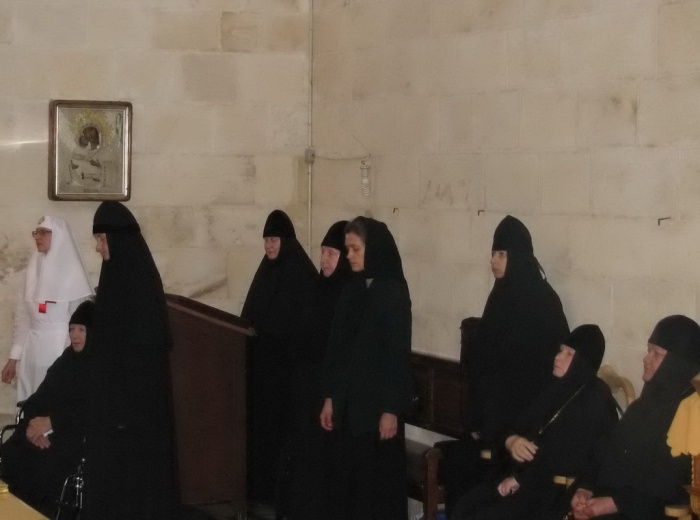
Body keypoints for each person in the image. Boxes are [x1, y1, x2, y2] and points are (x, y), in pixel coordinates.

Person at [442, 215, 570, 516]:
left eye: (501, 254)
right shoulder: (500, 294)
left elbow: (545, 368)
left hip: (523, 425)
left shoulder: (543, 300)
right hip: (494, 421)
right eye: (493, 253)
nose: (494, 261)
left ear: (518, 257)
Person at [450, 324, 619, 520]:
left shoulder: (596, 400)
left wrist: (521, 479)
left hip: (555, 491)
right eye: (560, 350)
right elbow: (513, 426)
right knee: (465, 506)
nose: (558, 357)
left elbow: (572, 459)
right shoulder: (552, 388)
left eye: (568, 354)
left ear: (583, 362)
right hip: (523, 477)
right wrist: (511, 441)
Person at [83, 201, 178, 519]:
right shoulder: (113, 277)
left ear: (117, 239)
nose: (98, 247)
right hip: (113, 401)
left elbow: (143, 352)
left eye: (101, 239)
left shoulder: (140, 283)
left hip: (134, 404)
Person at [320, 216, 413, 520]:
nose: (349, 256)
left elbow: (396, 355)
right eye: (347, 249)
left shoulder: (394, 292)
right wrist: (331, 397)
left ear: (374, 249)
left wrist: (391, 409)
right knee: (348, 485)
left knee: (375, 489)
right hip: (349, 407)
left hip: (377, 411)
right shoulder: (353, 288)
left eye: (355, 249)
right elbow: (337, 348)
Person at [569, 315, 700, 520]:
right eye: (649, 350)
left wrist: (616, 503)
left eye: (657, 353)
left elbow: (671, 488)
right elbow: (605, 455)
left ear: (678, 363)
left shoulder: (689, 414)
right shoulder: (642, 406)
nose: (646, 358)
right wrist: (585, 489)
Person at [241, 209, 318, 513]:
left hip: (288, 378)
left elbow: (304, 327)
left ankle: (282, 496)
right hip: (264, 373)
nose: (269, 246)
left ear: (286, 241)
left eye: (274, 240)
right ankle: (260, 493)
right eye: (266, 240)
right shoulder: (266, 272)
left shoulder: (301, 274)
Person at [283, 220, 353, 520]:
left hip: (329, 391)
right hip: (306, 387)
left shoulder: (348, 295)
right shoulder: (317, 289)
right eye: (323, 252)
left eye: (332, 254)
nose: (324, 259)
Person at [1, 300, 94, 517]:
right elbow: (39, 398)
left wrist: (52, 422)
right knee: (11, 453)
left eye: (81, 330)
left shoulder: (100, 368)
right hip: (41, 433)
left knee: (42, 467)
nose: (75, 335)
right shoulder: (66, 361)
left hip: (72, 437)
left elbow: (91, 410)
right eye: (72, 329)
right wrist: (31, 427)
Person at [2, 215, 94, 401]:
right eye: (37, 232)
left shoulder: (73, 275)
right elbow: (23, 319)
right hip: (32, 353)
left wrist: (70, 362)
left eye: (44, 232)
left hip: (59, 351)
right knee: (29, 402)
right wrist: (13, 359)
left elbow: (78, 325)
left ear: (58, 236)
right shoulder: (31, 272)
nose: (37, 237)